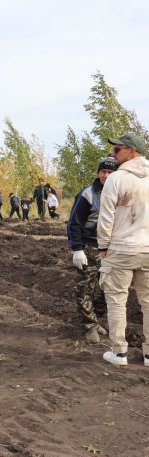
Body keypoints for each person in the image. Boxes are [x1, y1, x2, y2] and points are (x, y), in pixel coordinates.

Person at [97, 133, 149, 366]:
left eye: (118, 150)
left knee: (117, 299)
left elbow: (106, 216)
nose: (113, 154)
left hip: (121, 248)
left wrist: (103, 246)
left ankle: (119, 353)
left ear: (132, 151)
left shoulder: (116, 179)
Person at [67, 158, 117, 343]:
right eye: (103, 171)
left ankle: (96, 320)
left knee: (109, 289)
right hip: (90, 247)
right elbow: (74, 223)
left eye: (110, 172)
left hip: (112, 250)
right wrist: (77, 249)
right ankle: (89, 326)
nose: (106, 175)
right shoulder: (88, 194)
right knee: (85, 289)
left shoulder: (121, 193)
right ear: (98, 173)